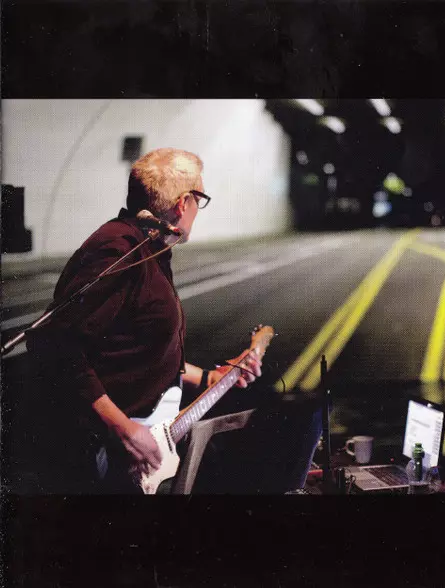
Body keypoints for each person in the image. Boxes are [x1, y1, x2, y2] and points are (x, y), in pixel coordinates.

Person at [25, 147, 322, 494]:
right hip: (110, 453)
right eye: (200, 199)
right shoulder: (118, 249)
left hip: (150, 427)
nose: (198, 210)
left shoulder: (151, 248)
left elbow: (141, 352)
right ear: (183, 203)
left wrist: (210, 377)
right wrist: (123, 429)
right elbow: (55, 345)